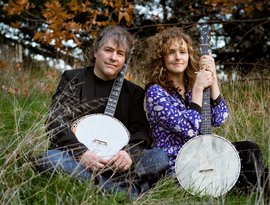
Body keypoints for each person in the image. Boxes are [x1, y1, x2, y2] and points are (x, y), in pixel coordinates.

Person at [36, 25, 168, 199]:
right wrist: (81, 153)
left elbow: (141, 131)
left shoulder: (134, 92)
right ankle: (122, 190)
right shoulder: (73, 79)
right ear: (96, 52)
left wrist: (128, 153)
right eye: (108, 50)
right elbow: (55, 121)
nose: (113, 58)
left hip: (117, 163)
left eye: (120, 54)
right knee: (50, 159)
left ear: (125, 61)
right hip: (78, 158)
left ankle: (96, 183)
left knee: (160, 157)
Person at [144, 27, 268, 195]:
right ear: (161, 58)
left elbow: (220, 118)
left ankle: (253, 190)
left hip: (206, 153)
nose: (178, 57)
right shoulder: (156, 92)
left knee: (249, 149)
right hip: (180, 162)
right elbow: (187, 129)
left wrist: (213, 78)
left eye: (183, 52)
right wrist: (198, 89)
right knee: (259, 174)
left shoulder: (192, 86)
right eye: (171, 52)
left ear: (189, 55)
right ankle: (250, 189)